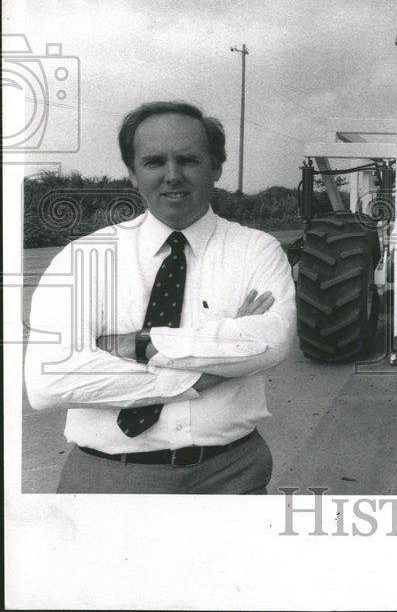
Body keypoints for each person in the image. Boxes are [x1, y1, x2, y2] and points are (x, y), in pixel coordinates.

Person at [24, 101, 296, 494]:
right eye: (154, 162)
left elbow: (272, 341)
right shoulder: (83, 258)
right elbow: (49, 382)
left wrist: (137, 346)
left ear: (216, 167)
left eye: (188, 159)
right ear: (133, 173)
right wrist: (206, 370)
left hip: (232, 476)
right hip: (110, 480)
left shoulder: (258, 250)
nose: (172, 176)